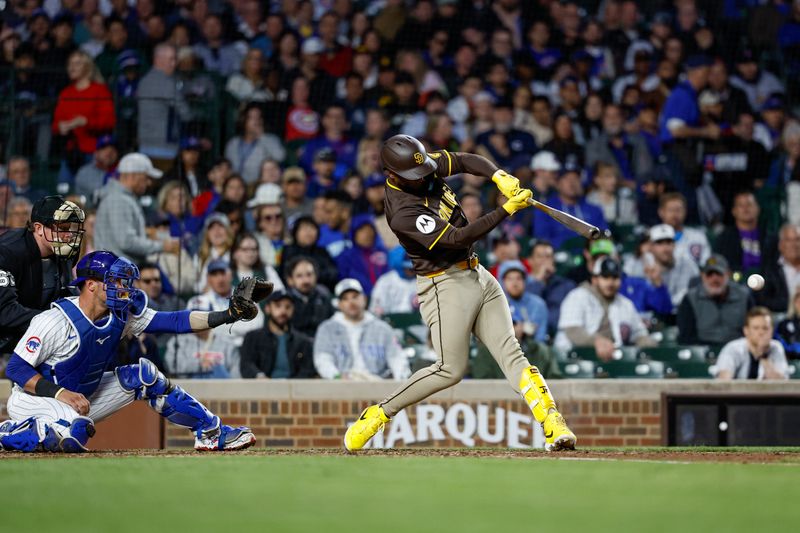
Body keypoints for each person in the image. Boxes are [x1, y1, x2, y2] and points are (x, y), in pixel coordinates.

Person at [344, 134, 576, 453]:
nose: (424, 177)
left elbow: (465, 160)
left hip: (476, 272)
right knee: (448, 370)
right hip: (444, 284)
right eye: (415, 175)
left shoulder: (419, 164)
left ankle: (552, 422)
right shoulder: (402, 211)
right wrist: (507, 208)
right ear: (391, 175)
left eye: (424, 169)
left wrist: (498, 175)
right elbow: (457, 238)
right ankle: (378, 414)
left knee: (512, 352)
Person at [0, 251, 267, 452]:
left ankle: (211, 433)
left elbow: (174, 321)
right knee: (74, 434)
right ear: (90, 285)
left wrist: (227, 315)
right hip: (35, 401)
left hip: (83, 396)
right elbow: (16, 369)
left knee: (145, 376)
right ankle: (8, 432)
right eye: (114, 281)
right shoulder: (55, 320)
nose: (123, 288)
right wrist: (61, 394)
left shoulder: (120, 314)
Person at [0, 196, 85, 355]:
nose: (70, 235)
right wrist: (54, 322)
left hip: (41, 339)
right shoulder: (7, 252)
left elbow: (65, 293)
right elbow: (4, 313)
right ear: (38, 228)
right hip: (6, 343)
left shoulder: (65, 250)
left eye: (72, 227)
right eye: (63, 228)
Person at [555, 257, 655, 361]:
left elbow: (639, 333)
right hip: (573, 359)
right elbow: (573, 330)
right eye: (605, 277)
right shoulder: (577, 296)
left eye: (615, 277)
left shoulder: (625, 304)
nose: (611, 282)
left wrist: (647, 342)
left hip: (613, 361)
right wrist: (596, 341)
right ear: (594, 279)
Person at [313, 278, 409, 381]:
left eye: (355, 296)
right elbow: (322, 359)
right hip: (342, 386)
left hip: (377, 385)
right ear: (339, 304)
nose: (351, 302)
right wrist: (336, 376)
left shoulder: (382, 328)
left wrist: (402, 380)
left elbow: (396, 357)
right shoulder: (327, 329)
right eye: (345, 299)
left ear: (364, 299)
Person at [95, 153, 180, 265]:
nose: (149, 183)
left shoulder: (122, 197)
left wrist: (148, 234)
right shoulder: (118, 199)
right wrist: (162, 246)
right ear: (132, 176)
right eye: (146, 178)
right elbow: (126, 242)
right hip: (116, 273)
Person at [677, 254, 754, 346]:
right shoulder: (690, 299)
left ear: (728, 274)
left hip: (738, 351)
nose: (714, 279)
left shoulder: (744, 297)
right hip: (702, 354)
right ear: (702, 276)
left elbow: (753, 330)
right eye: (709, 274)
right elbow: (686, 338)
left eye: (719, 273)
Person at [136, 43, 193, 163]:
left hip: (144, 145)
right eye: (171, 59)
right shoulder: (166, 83)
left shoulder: (143, 81)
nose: (174, 64)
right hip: (164, 148)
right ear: (158, 59)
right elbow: (186, 114)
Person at [240, 290, 316, 379]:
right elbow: (246, 364)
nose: (283, 311)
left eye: (288, 307)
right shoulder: (253, 338)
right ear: (268, 308)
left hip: (294, 389)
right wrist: (259, 377)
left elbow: (307, 370)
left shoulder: (303, 341)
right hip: (262, 388)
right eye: (278, 306)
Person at [472, 307, 562, 380]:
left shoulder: (541, 351)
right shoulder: (486, 351)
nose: (509, 328)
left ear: (522, 326)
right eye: (504, 323)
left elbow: (555, 380)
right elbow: (482, 384)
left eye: (513, 323)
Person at [533, 165, 607, 249]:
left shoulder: (594, 210)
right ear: (558, 184)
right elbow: (542, 241)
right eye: (567, 178)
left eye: (576, 178)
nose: (572, 183)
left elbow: (604, 238)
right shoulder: (545, 210)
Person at [716, 307, 789, 380]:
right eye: (756, 328)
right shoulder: (733, 348)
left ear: (772, 330)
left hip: (766, 391)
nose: (761, 332)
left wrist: (763, 355)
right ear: (746, 330)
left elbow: (780, 384)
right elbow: (723, 381)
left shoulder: (776, 347)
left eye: (765, 328)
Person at [224, 104, 286, 184]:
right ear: (244, 120)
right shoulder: (233, 143)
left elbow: (280, 157)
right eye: (252, 117)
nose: (256, 121)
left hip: (259, 187)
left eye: (259, 117)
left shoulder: (270, 139)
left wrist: (262, 136)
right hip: (236, 188)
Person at [714, 191, 774, 273]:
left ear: (758, 209)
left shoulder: (770, 238)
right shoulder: (724, 238)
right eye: (741, 205)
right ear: (734, 211)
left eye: (749, 204)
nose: (745, 208)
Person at [525, 239, 576, 332]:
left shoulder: (566, 285)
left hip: (558, 334)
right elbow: (527, 308)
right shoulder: (521, 284)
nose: (545, 261)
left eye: (548, 257)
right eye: (540, 256)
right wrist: (539, 280)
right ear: (530, 261)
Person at [647, 224, 700, 309]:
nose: (665, 248)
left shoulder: (688, 265)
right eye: (659, 243)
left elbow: (695, 293)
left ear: (674, 244)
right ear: (651, 246)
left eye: (668, 242)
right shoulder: (643, 266)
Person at [280, 215, 339, 290]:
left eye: (312, 228)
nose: (308, 232)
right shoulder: (288, 251)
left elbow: (332, 274)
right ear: (295, 232)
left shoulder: (322, 251)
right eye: (304, 228)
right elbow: (286, 276)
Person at [334, 214, 388, 296]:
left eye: (370, 230)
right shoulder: (345, 257)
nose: (367, 234)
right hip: (359, 299)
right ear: (354, 233)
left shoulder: (384, 253)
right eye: (362, 230)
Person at [284, 256, 335, 338]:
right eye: (299, 276)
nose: (306, 280)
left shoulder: (324, 294)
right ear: (290, 280)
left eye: (309, 274)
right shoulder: (285, 300)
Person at [498, 260, 548, 343]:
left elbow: (540, 340)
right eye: (509, 279)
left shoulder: (538, 304)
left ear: (525, 281)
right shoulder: (496, 305)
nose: (514, 283)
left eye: (518, 278)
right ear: (502, 282)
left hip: (532, 351)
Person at [657, 192, 711, 265]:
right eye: (670, 210)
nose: (674, 214)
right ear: (661, 212)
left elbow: (706, 263)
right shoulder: (651, 236)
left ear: (685, 212)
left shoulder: (698, 237)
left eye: (678, 210)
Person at [757, 223, 800, 312]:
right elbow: (764, 300)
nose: (794, 245)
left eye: (797, 239)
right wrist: (792, 305)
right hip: (781, 316)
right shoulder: (769, 270)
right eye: (788, 240)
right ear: (780, 245)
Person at [369, 247, 418, 317]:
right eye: (409, 268)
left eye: (414, 268)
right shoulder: (386, 281)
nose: (412, 270)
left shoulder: (422, 281)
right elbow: (375, 308)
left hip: (416, 324)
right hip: (390, 323)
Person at [74, 135, 119, 207]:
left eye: (113, 148)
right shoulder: (84, 173)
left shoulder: (123, 172)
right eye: (103, 148)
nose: (109, 151)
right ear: (96, 153)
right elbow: (80, 201)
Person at [777, 286, 800, 359]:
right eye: (798, 302)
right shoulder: (784, 323)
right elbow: (779, 340)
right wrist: (793, 348)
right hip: (792, 359)